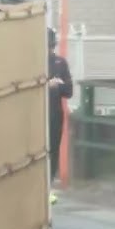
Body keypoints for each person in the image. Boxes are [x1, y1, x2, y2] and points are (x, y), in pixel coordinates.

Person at [47, 27, 72, 203]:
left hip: (55, 113)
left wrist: (58, 85)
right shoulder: (31, 62)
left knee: (53, 150)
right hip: (37, 112)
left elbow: (69, 91)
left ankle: (48, 186)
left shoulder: (60, 63)